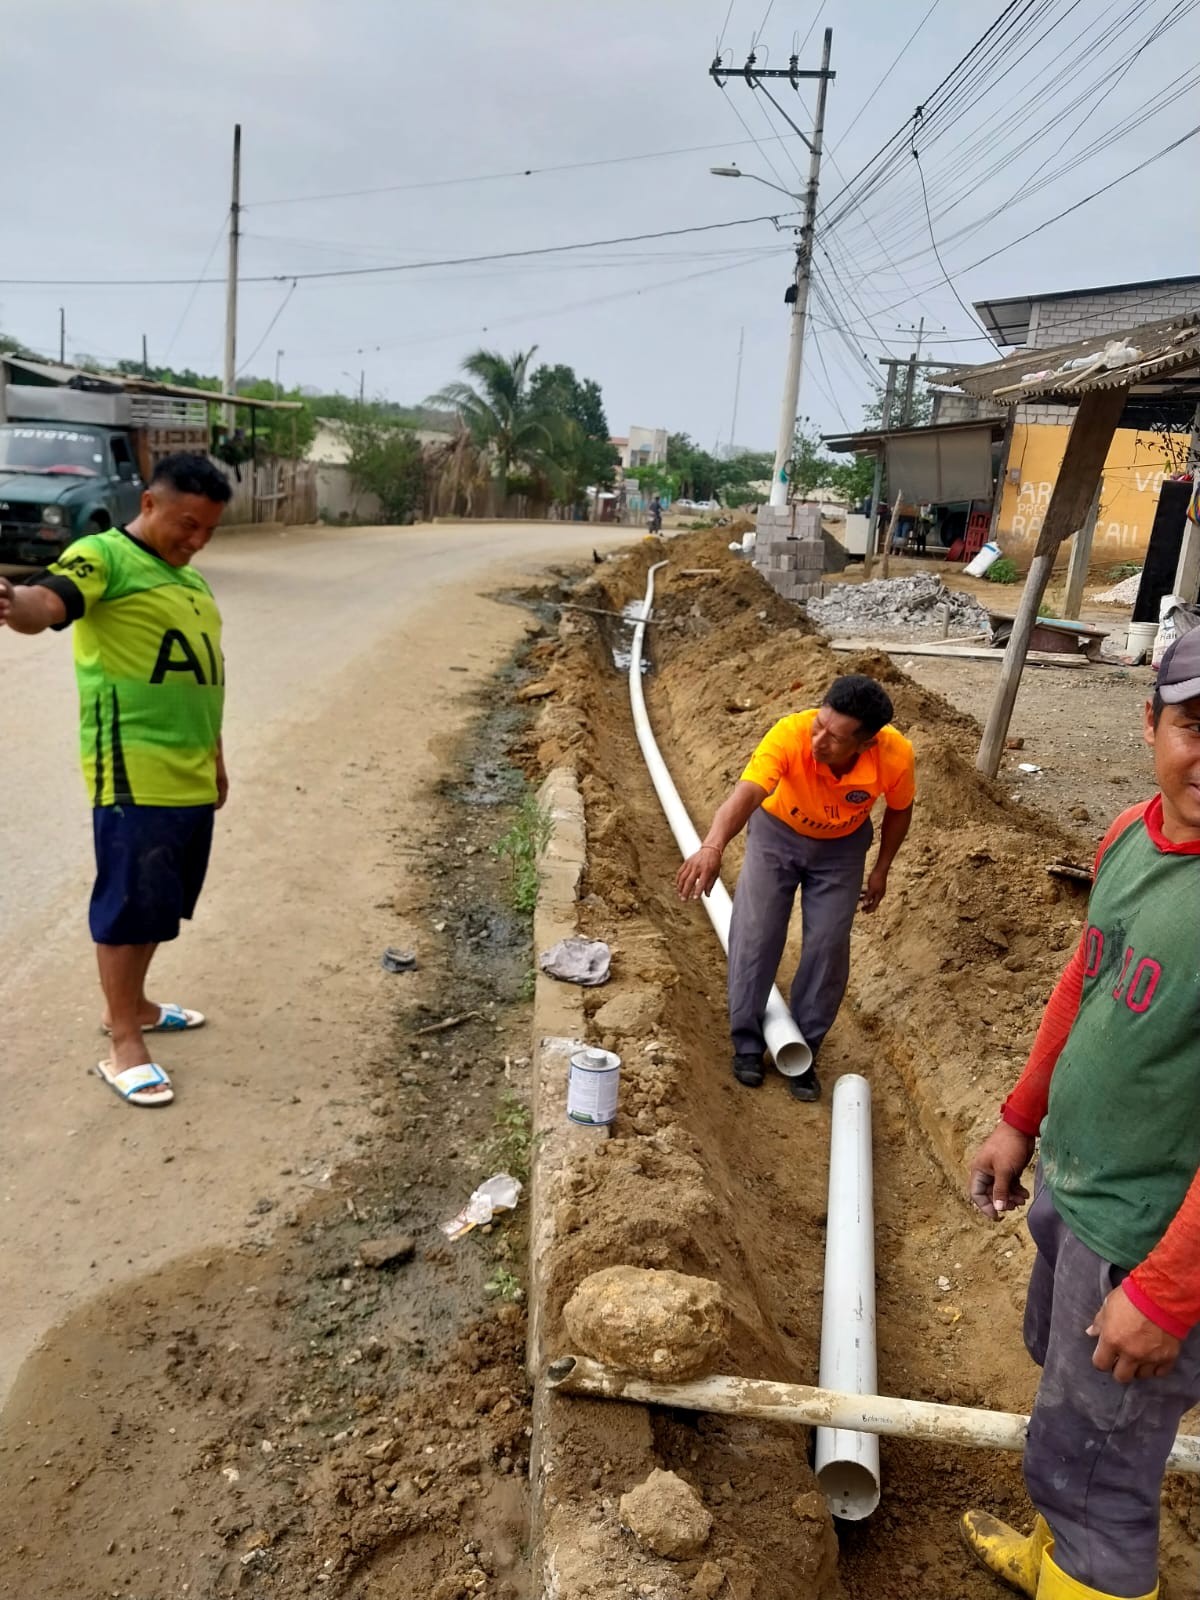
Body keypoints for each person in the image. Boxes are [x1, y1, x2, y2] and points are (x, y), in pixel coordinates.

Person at [961, 627, 1200, 1600]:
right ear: (1151, 723)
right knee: (1070, 1411)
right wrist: (1022, 1117)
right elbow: (1086, 979)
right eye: (1196, 725)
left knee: (1100, 1479)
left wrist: (1170, 1293)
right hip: (1082, 1192)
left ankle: (1088, 1571)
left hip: (1153, 1245)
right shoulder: (1133, 835)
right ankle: (1060, 1550)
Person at [0, 452, 233, 1109]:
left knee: (160, 903)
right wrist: (14, 602)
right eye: (188, 525)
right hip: (133, 770)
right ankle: (124, 1040)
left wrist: (216, 757)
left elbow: (205, 675)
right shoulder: (102, 555)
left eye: (209, 530)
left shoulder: (193, 583)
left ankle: (137, 1005)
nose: (197, 541)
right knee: (129, 908)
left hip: (191, 771)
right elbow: (48, 601)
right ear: (149, 504)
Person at [676, 675, 915, 1102]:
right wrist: (713, 845)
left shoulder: (894, 755)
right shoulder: (790, 734)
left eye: (835, 737)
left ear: (865, 744)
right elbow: (747, 794)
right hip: (777, 834)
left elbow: (900, 809)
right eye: (819, 725)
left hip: (842, 847)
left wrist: (881, 869)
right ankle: (747, 1042)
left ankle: (804, 1048)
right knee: (757, 932)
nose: (818, 740)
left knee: (828, 943)